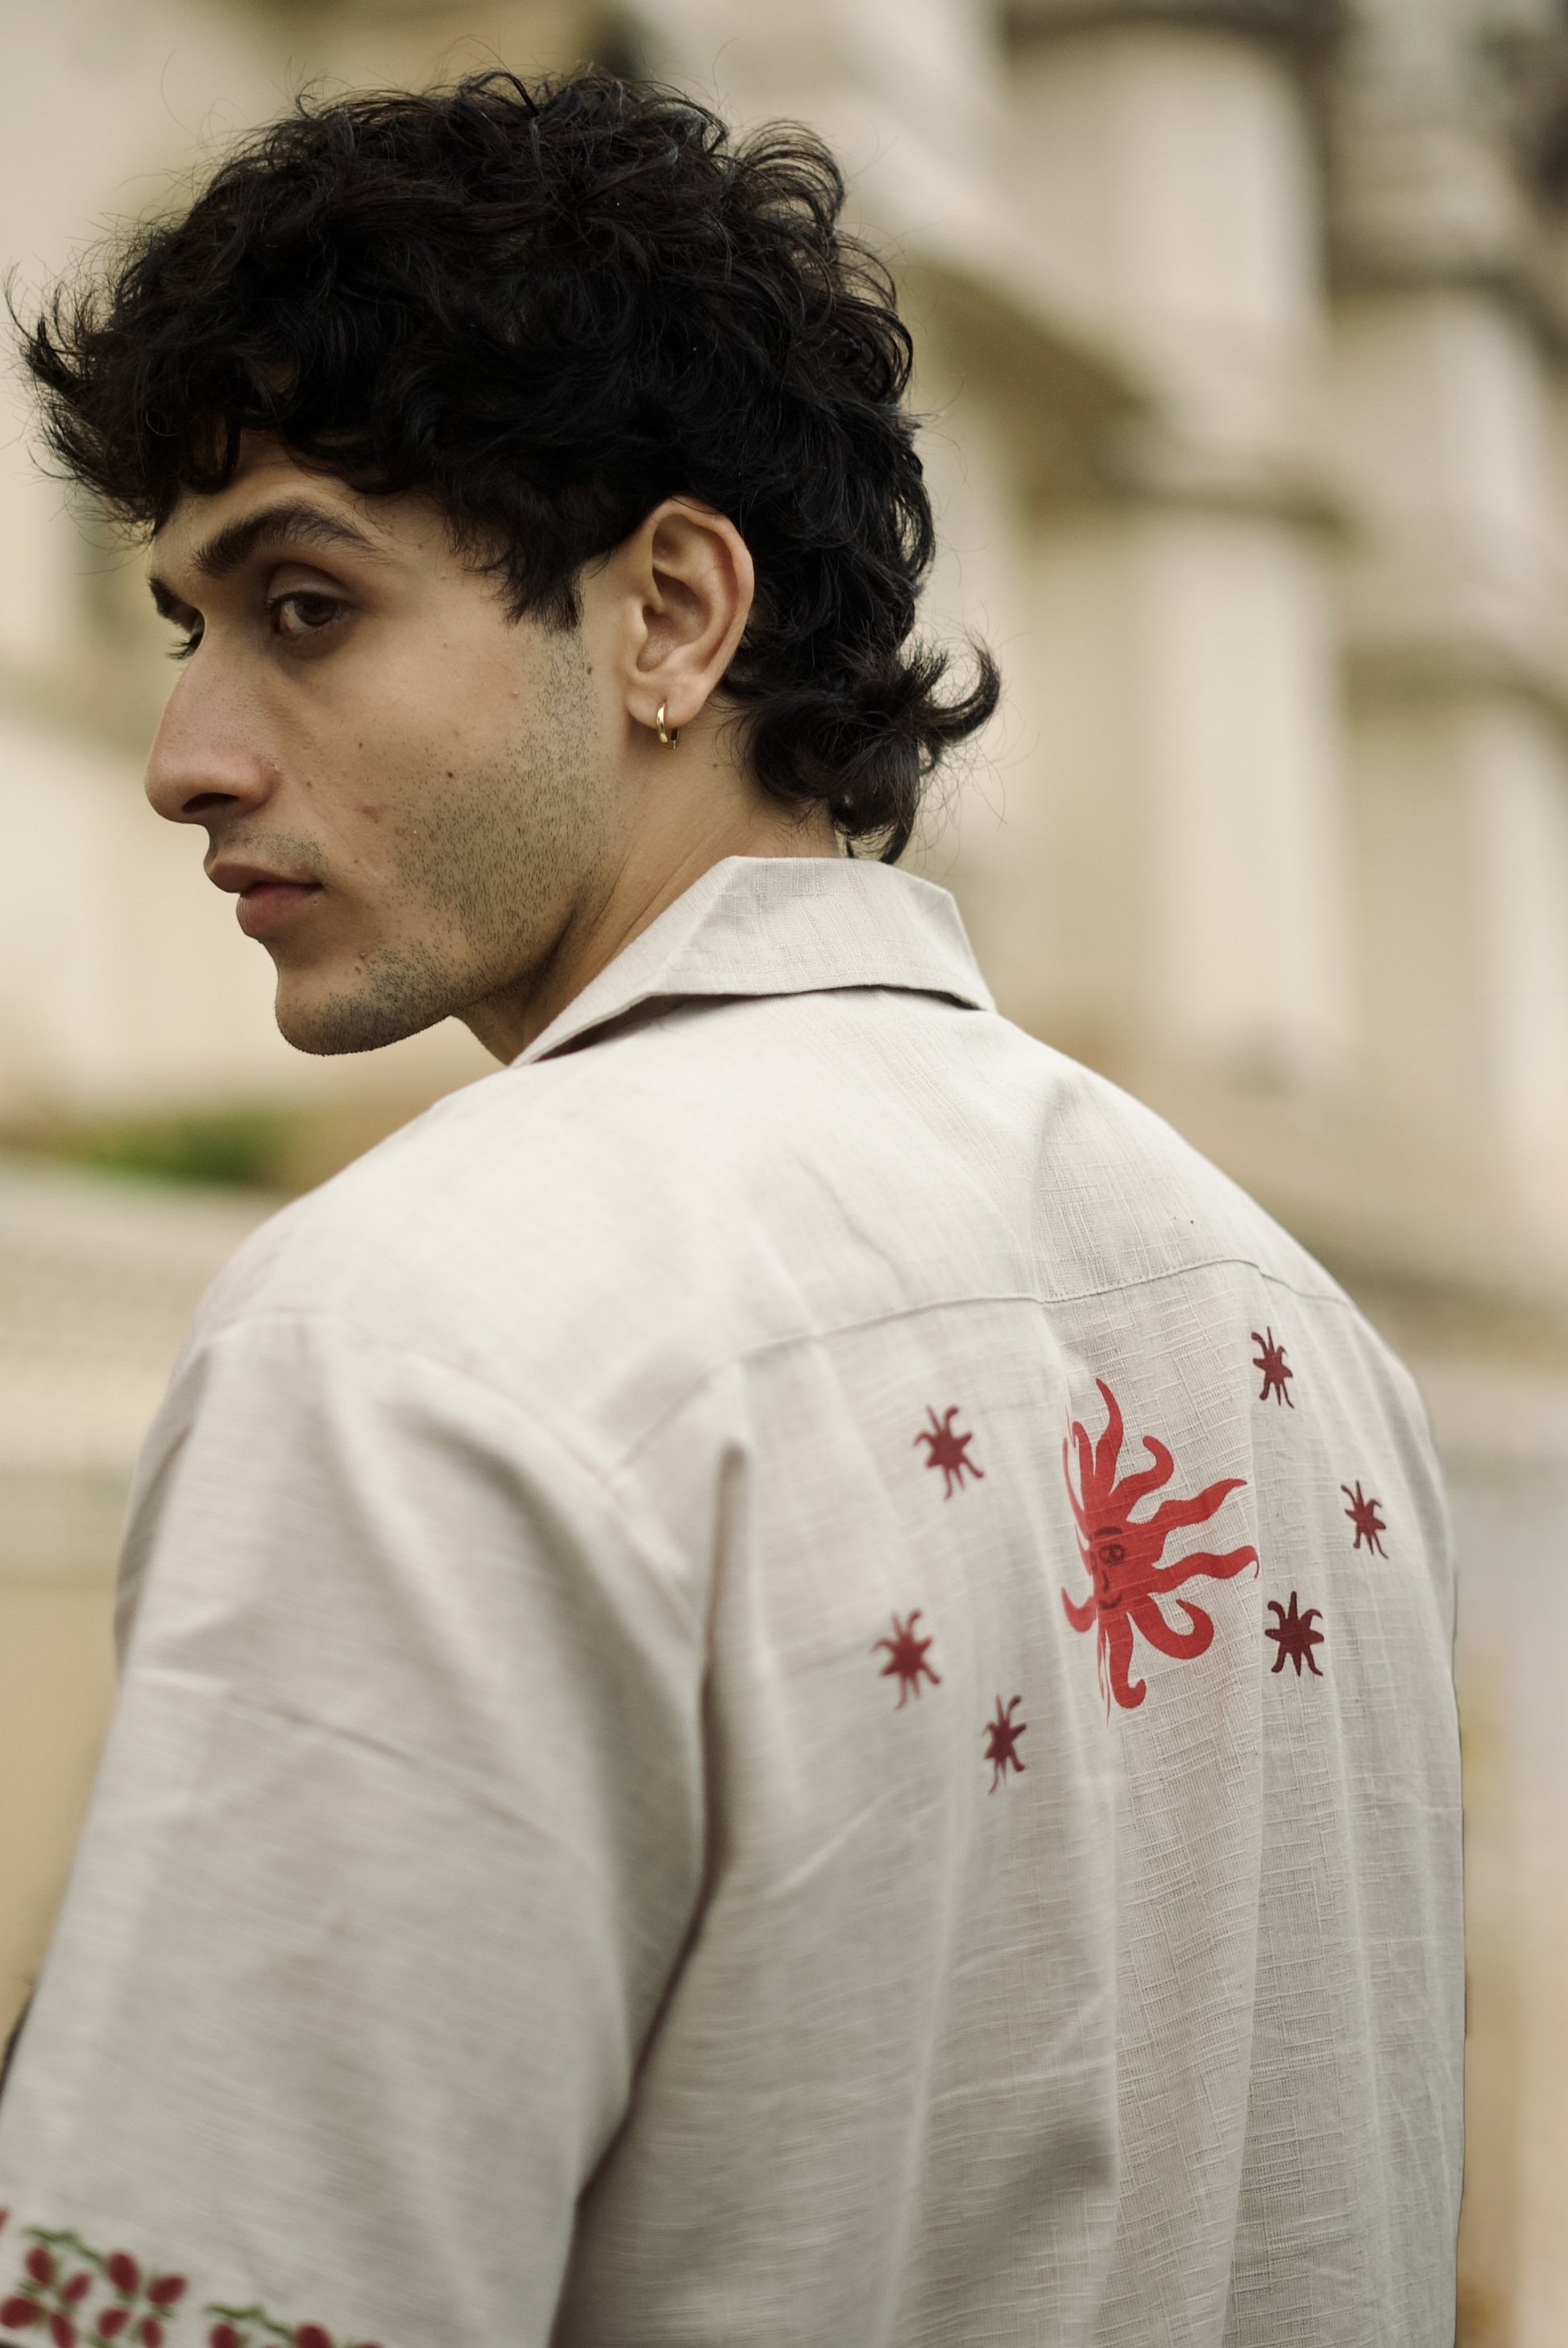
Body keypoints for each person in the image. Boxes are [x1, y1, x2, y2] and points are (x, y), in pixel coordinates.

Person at [0, 71, 1461, 2348]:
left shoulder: (420, 1331)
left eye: (303, 603)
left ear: (671, 611)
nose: (188, 745)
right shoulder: (1298, 1343)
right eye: (187, 624)